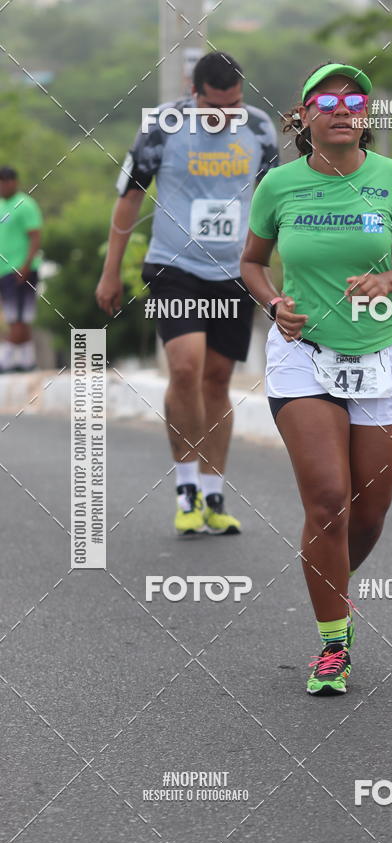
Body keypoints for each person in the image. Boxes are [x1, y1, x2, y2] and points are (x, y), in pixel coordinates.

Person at [241, 63, 392, 695]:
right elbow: (251, 264)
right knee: (329, 501)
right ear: (302, 117)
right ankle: (333, 639)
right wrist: (275, 305)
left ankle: (329, 579)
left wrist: (389, 280)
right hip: (303, 354)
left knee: (368, 514)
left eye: (353, 99)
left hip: (379, 355)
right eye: (324, 99)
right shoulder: (278, 186)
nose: (340, 108)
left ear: (365, 116)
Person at [96, 52, 279, 535]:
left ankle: (215, 495)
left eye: (234, 104)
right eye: (215, 106)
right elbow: (129, 199)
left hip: (234, 271)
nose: (225, 115)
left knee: (217, 380)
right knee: (185, 367)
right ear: (193, 93)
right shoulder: (162, 127)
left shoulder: (259, 130)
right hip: (174, 266)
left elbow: (274, 205)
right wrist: (110, 272)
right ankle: (187, 490)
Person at [0, 167, 43, 373]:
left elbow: (35, 236)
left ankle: (5, 359)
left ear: (14, 182)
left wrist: (26, 265)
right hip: (3, 269)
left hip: (20, 268)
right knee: (15, 317)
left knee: (19, 316)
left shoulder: (25, 204)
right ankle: (27, 360)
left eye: (5, 181)